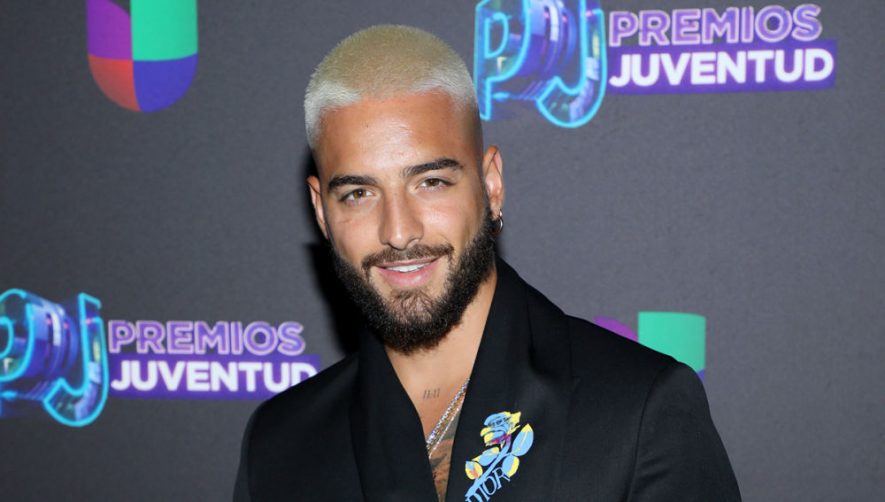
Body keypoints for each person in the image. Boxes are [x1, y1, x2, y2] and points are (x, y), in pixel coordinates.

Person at [234, 25, 740, 502]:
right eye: (359, 193)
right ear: (322, 212)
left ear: (491, 186)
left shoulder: (637, 410)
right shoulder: (281, 441)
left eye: (431, 182)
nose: (399, 231)